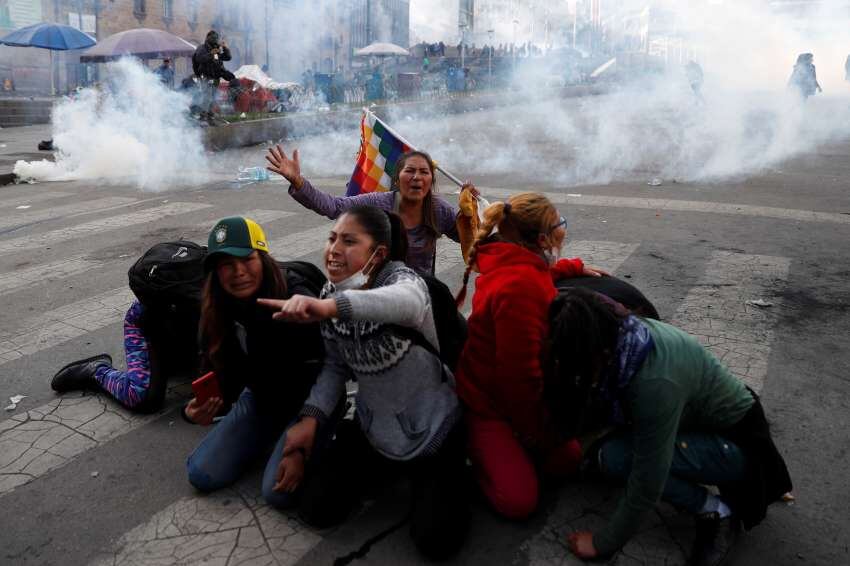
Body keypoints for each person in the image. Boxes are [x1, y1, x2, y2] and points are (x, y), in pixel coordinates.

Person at [258, 205, 468, 559]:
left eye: (349, 241)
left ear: (378, 254)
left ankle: (452, 475)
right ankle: (388, 470)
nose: (334, 250)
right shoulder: (329, 292)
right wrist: (310, 421)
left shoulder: (406, 284)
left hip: (434, 431)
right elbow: (336, 367)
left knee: (436, 542)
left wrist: (329, 308)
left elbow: (404, 302)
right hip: (375, 430)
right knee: (315, 509)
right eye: (332, 238)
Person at [545, 288, 792, 565]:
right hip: (700, 422)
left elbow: (648, 479)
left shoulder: (654, 384)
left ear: (600, 351)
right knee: (604, 451)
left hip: (738, 447)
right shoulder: (627, 336)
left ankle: (716, 510)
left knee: (617, 458)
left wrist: (603, 543)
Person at [453, 192, 606, 520]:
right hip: (488, 404)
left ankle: (511, 450)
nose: (562, 229)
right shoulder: (518, 287)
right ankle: (471, 448)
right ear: (539, 239)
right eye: (557, 225)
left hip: (512, 395)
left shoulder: (516, 262)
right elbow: (517, 381)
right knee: (518, 501)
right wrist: (535, 432)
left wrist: (571, 267)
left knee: (567, 461)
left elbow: (538, 274)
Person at [179, 217, 325, 504]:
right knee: (201, 474)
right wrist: (193, 411)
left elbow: (331, 369)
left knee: (276, 493)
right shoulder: (217, 309)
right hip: (261, 396)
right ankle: (271, 432)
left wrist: (308, 427)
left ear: (264, 257)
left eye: (247, 259)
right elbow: (215, 371)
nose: (238, 272)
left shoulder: (295, 298)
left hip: (309, 399)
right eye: (226, 265)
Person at [266, 146, 476, 276]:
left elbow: (472, 241)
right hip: (377, 292)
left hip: (422, 295)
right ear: (397, 178)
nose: (416, 177)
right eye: (409, 171)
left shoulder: (439, 210)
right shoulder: (378, 203)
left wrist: (472, 213)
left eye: (424, 172)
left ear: (431, 180)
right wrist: (298, 181)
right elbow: (334, 207)